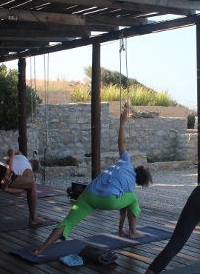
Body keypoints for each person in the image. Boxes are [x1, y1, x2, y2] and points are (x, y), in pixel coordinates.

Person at [32, 104, 152, 256]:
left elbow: (121, 142)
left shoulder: (125, 161)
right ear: (140, 182)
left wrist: (122, 122)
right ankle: (133, 232)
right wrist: (121, 228)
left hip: (87, 196)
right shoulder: (130, 188)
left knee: (68, 221)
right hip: (108, 200)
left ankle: (41, 249)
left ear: (137, 168)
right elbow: (124, 209)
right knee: (133, 199)